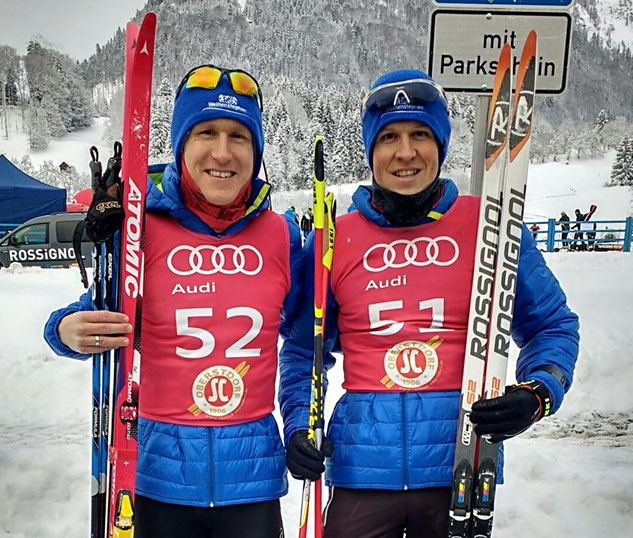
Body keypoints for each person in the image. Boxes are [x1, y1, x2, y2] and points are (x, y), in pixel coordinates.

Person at [279, 69, 579, 538]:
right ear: (370, 150)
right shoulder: (334, 239)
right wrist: (300, 425)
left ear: (440, 144)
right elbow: (303, 350)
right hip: (362, 470)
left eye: (420, 134)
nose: (405, 152)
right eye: (389, 137)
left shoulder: (490, 227)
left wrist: (537, 392)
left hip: (459, 467)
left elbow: (552, 325)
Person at [44, 65, 302, 538]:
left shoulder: (282, 235)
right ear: (182, 144)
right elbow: (90, 313)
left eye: (238, 136)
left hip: (252, 481)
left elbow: (308, 343)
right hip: (158, 477)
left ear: (257, 150)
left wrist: (303, 424)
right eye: (206, 132)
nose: (222, 152)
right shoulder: (143, 230)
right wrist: (66, 329)